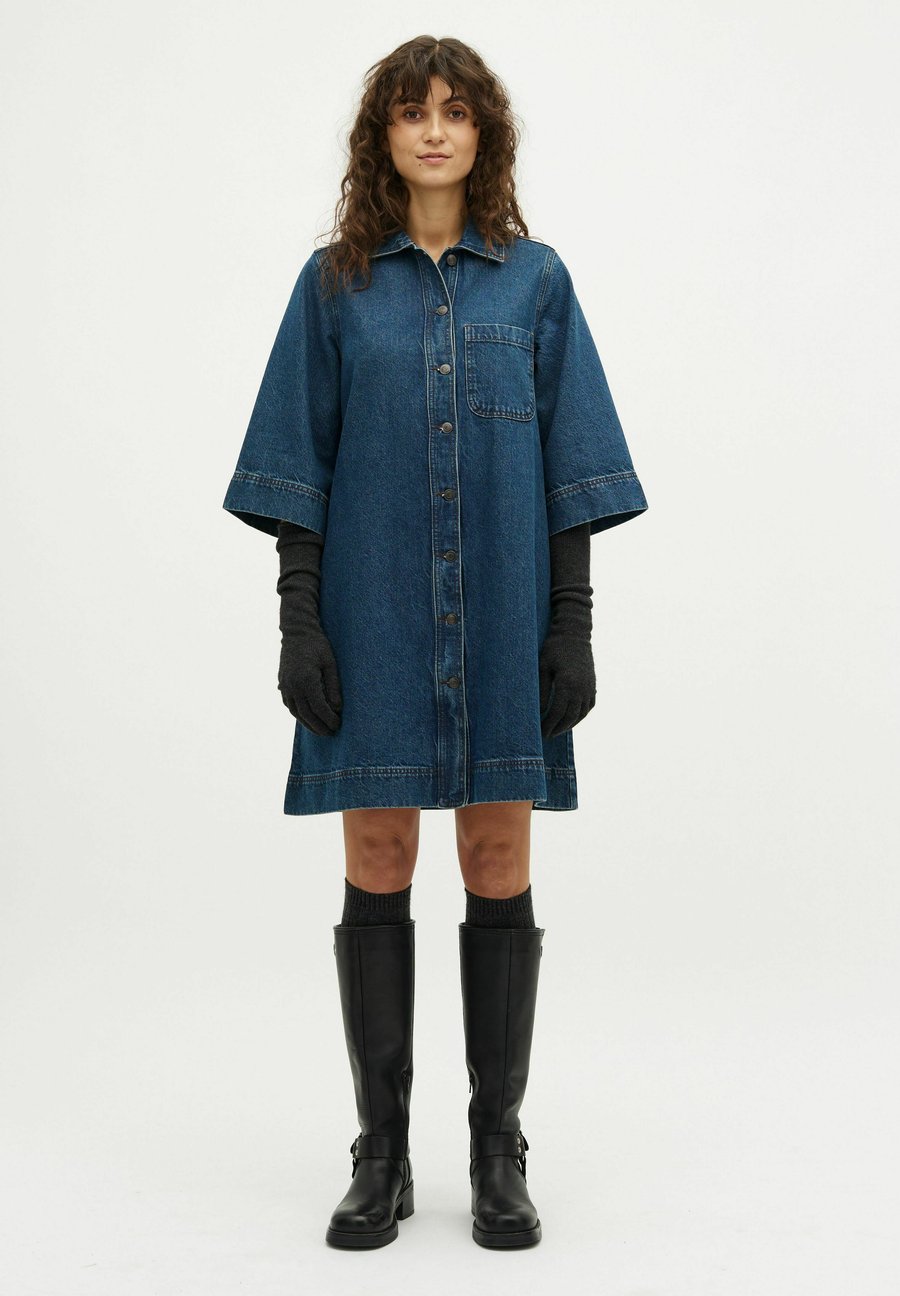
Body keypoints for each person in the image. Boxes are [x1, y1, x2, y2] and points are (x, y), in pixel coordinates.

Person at [222, 36, 649, 1250]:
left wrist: (571, 626)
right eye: (411, 113)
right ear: (384, 138)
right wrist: (300, 618)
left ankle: (496, 1149)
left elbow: (573, 469)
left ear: (483, 136)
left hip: (507, 616)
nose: (433, 132)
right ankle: (383, 1152)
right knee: (378, 849)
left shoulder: (537, 283)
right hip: (372, 616)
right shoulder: (334, 287)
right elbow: (296, 463)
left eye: (455, 113)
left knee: (499, 852)